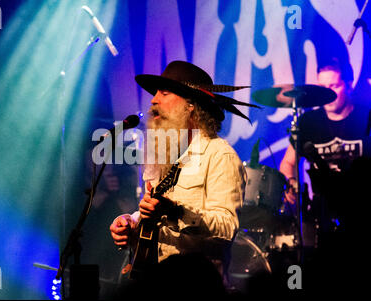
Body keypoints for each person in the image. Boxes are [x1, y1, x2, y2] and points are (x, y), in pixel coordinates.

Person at [108, 61, 257, 286]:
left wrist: (177, 213)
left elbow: (227, 228)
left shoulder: (219, 155)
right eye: (155, 93)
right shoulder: (160, 155)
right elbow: (153, 210)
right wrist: (132, 221)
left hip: (196, 286)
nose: (153, 99)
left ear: (190, 105)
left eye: (164, 93)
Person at [279, 57, 371, 240]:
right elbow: (288, 163)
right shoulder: (308, 122)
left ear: (349, 84)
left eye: (334, 86)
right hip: (322, 213)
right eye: (323, 87)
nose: (328, 94)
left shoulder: (366, 117)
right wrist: (291, 184)